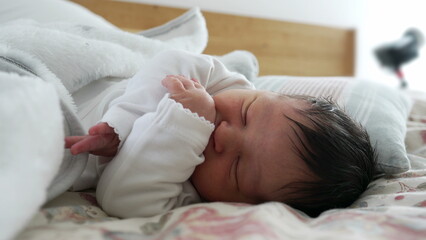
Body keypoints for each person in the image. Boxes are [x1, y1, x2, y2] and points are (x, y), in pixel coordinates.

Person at [66, 50, 378, 218]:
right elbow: (170, 61)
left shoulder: (187, 197)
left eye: (238, 167)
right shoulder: (225, 84)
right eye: (247, 114)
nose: (224, 135)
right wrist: (120, 124)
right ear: (262, 94)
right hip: (94, 89)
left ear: (246, 205)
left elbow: (121, 199)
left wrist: (186, 123)